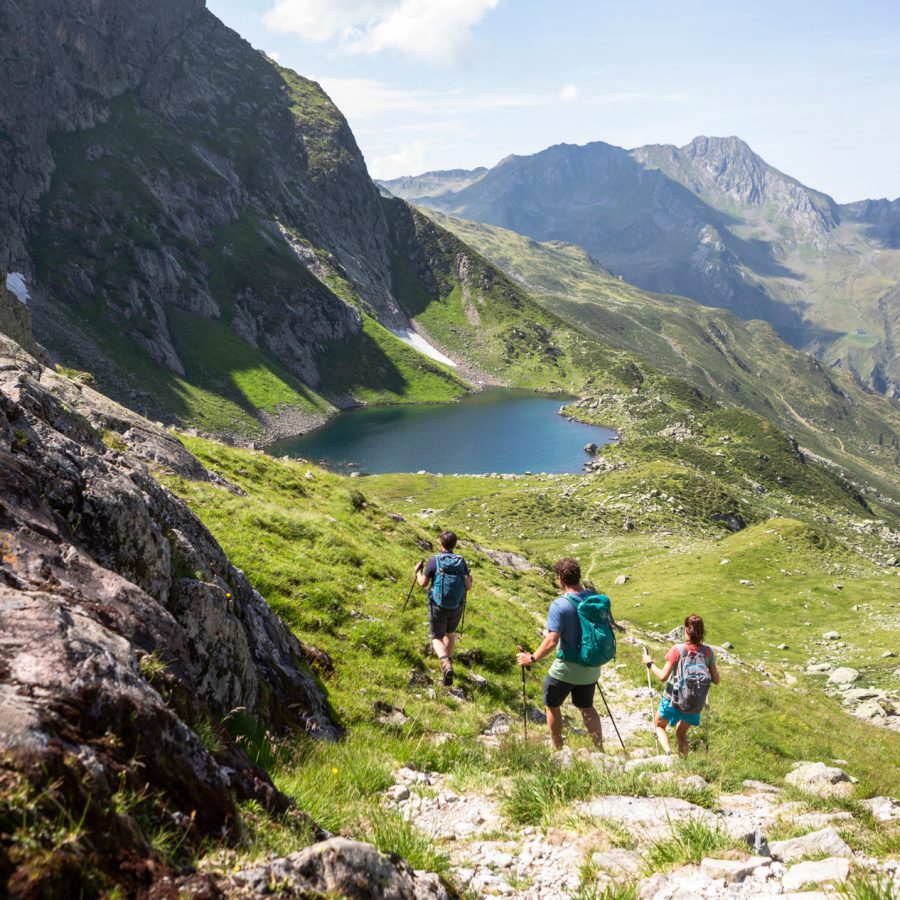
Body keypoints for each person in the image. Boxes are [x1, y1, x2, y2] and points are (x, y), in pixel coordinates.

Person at [515, 557, 607, 750]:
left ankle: (557, 747)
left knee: (551, 703)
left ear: (560, 579)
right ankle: (599, 748)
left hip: (567, 668)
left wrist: (531, 658)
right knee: (586, 706)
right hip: (591, 667)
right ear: (579, 576)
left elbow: (551, 640)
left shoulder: (560, 605)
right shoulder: (594, 599)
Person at [642, 614, 720, 756]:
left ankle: (668, 754)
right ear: (702, 631)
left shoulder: (678, 649)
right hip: (695, 704)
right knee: (681, 734)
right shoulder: (708, 652)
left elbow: (662, 676)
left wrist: (649, 663)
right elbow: (716, 680)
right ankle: (683, 765)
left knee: (659, 725)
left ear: (686, 630)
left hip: (673, 699)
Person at [416, 531, 472, 686]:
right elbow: (468, 586)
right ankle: (449, 665)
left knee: (436, 637)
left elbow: (423, 583)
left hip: (438, 605)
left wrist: (417, 571)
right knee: (450, 634)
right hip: (457, 605)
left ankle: (445, 663)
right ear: (454, 544)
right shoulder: (461, 561)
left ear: (441, 544)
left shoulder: (435, 560)